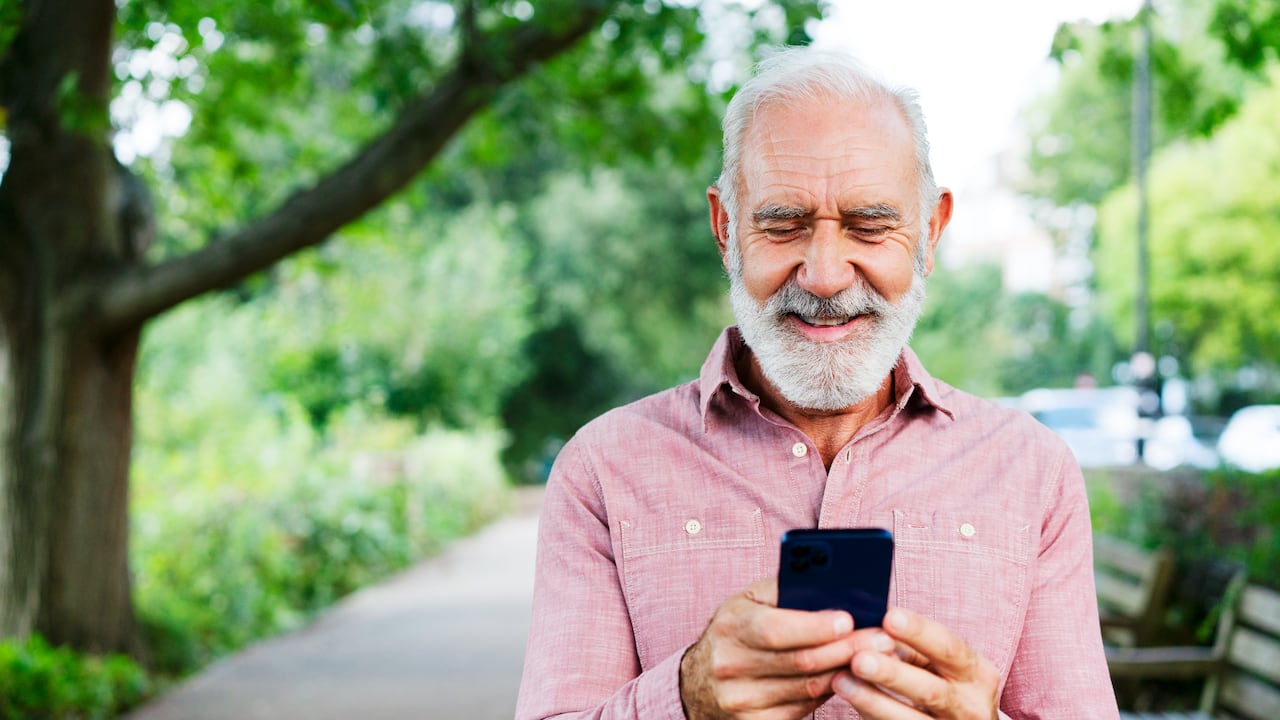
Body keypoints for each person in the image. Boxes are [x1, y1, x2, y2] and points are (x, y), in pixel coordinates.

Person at [515, 46, 1119, 720]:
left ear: (931, 230)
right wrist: (686, 698)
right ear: (725, 230)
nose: (826, 275)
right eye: (783, 224)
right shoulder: (601, 471)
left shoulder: (1034, 472)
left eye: (870, 225)